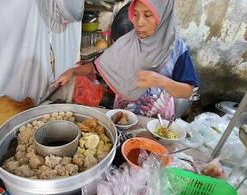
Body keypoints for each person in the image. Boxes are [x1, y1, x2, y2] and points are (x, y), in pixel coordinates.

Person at [55, 0, 199, 119]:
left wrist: (160, 81)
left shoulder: (175, 48)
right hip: (122, 118)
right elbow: (97, 67)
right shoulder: (126, 42)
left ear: (163, 16)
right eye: (135, 14)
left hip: (157, 124)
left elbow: (188, 91)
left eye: (148, 15)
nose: (139, 23)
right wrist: (73, 71)